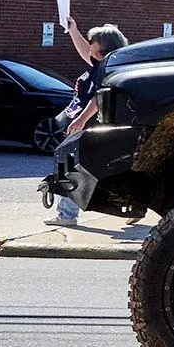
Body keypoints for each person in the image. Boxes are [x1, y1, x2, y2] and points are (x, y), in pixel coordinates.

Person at [48, 17, 129, 226]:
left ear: (103, 46)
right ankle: (132, 206)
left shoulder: (108, 68)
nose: (89, 43)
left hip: (91, 125)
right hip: (87, 124)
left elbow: (98, 97)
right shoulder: (101, 64)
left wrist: (81, 120)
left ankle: (66, 216)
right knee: (91, 168)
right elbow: (84, 50)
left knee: (70, 166)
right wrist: (72, 30)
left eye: (92, 41)